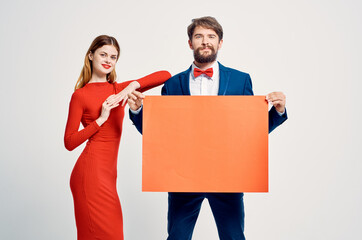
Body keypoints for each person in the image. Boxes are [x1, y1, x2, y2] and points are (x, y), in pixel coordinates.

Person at [128, 17, 288, 240]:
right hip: (183, 179)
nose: (205, 42)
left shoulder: (241, 80)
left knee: (233, 237)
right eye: (199, 36)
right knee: (177, 237)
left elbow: (250, 133)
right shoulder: (173, 84)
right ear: (190, 43)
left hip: (228, 178)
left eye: (211, 36)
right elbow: (160, 136)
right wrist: (137, 111)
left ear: (220, 43)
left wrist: (277, 111)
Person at [64, 35, 171, 240]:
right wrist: (100, 120)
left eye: (113, 57)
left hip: (108, 175)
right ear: (90, 55)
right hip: (90, 174)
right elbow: (69, 142)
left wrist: (132, 86)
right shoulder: (80, 95)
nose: (107, 60)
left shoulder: (118, 90)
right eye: (103, 54)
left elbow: (165, 75)